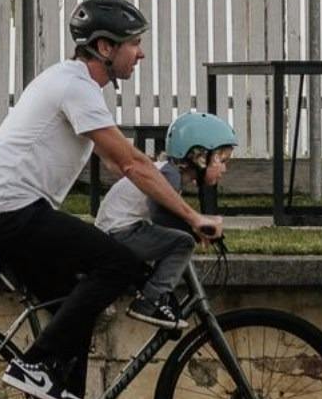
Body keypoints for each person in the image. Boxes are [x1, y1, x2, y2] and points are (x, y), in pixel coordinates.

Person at [0, 0, 224, 399]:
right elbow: (132, 166)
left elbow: (121, 163)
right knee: (119, 263)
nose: (139, 54)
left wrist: (164, 201)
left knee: (73, 303)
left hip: (7, 211)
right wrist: (191, 216)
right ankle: (34, 365)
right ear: (105, 48)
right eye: (133, 44)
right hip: (10, 211)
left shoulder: (75, 87)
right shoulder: (76, 87)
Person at [92, 110, 240, 332]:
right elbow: (158, 211)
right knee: (183, 243)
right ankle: (150, 302)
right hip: (120, 234)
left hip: (118, 232)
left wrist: (191, 224)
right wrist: (192, 227)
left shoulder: (167, 172)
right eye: (222, 160)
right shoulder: (170, 175)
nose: (225, 168)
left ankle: (155, 296)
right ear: (199, 157)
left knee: (175, 240)